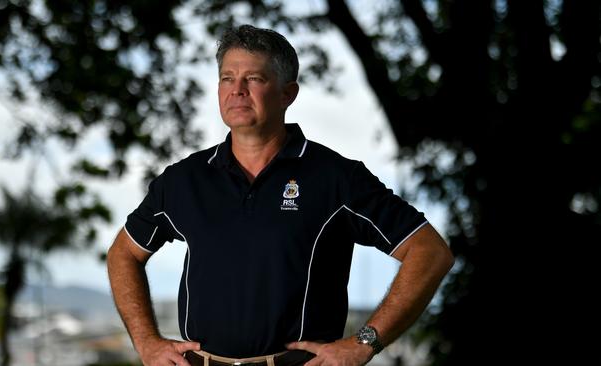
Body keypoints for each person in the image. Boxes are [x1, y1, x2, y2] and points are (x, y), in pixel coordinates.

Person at [107, 24, 454, 366]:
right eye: (228, 78)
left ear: (288, 93)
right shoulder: (184, 180)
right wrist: (146, 342)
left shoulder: (336, 178)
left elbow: (429, 252)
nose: (237, 90)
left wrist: (365, 343)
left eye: (254, 79)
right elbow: (123, 254)